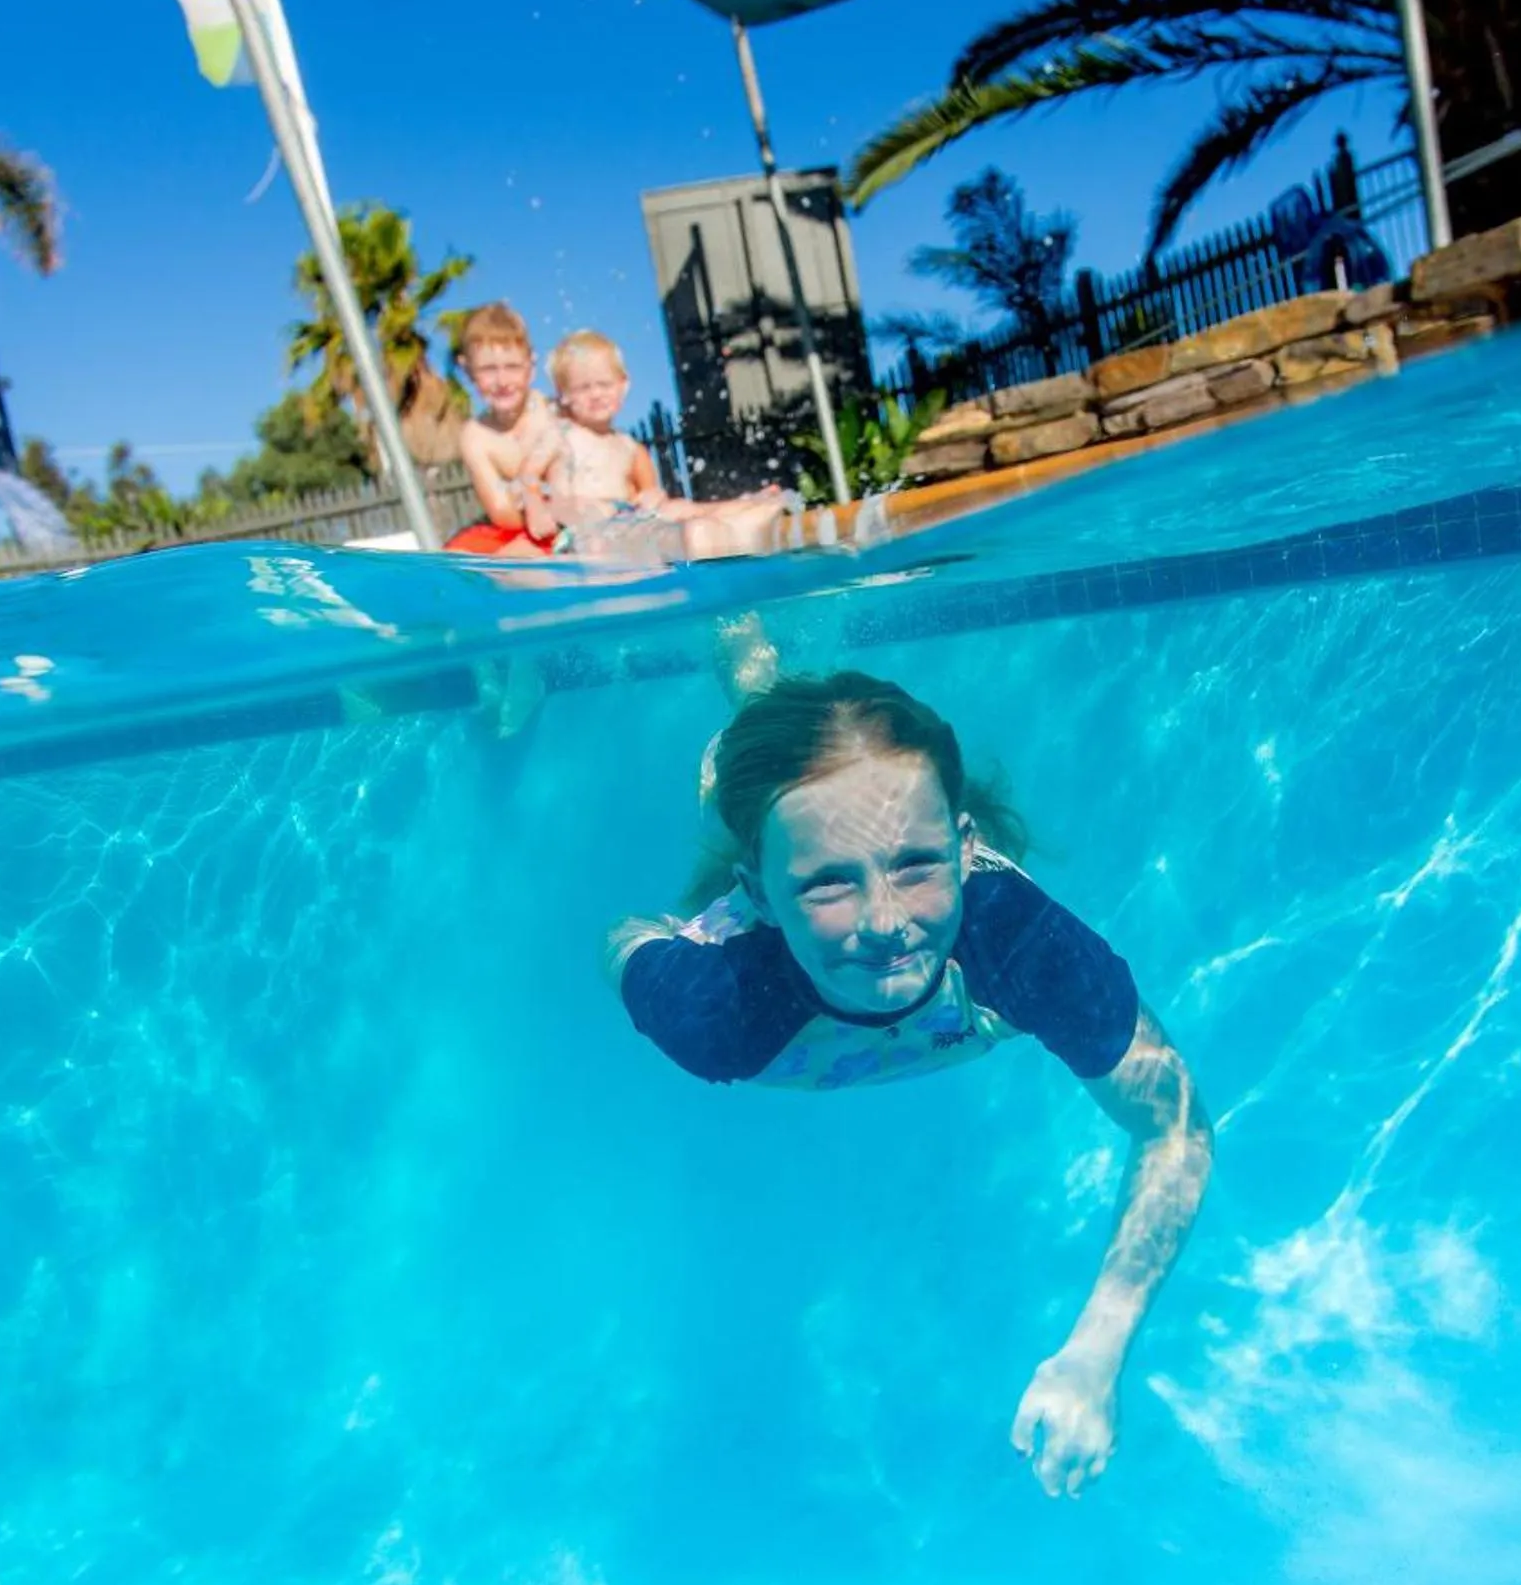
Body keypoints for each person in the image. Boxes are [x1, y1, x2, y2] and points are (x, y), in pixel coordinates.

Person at [605, 657, 1213, 1499]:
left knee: (786, 778)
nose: (886, 925)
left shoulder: (1022, 947)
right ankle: (749, 680)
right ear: (763, 897)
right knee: (734, 780)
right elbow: (623, 936)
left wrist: (1096, 1350)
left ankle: (772, 714)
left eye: (919, 865)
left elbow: (1172, 1125)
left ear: (967, 849)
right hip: (752, 925)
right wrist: (665, 934)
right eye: (827, 884)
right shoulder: (720, 1010)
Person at [542, 332, 797, 561]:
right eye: (584, 387)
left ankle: (742, 510)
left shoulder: (629, 448)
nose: (596, 394)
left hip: (627, 517)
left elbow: (653, 494)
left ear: (624, 385)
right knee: (638, 531)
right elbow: (544, 491)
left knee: (674, 507)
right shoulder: (560, 435)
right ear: (563, 393)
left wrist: (651, 497)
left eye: (605, 384)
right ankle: (695, 535)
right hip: (587, 532)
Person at [448, 302, 566, 558]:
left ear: (531, 366)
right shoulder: (476, 435)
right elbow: (501, 513)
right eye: (488, 369)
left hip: (563, 520)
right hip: (513, 527)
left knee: (517, 559)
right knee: (456, 562)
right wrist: (532, 509)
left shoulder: (550, 411)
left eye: (512, 367)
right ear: (467, 369)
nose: (502, 381)